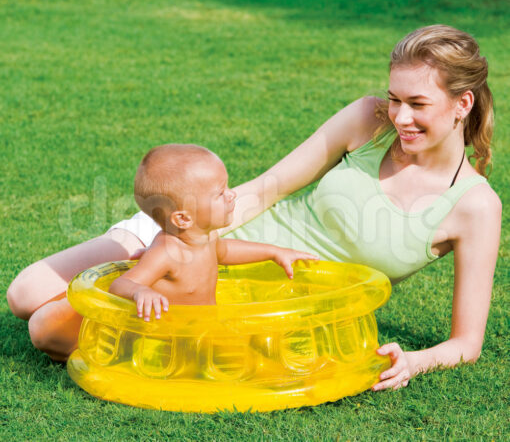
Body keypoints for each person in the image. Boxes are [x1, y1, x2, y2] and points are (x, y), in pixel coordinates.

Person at [7, 25, 501, 391]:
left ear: (463, 104)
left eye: (417, 103)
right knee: (26, 294)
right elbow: (268, 186)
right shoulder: (369, 121)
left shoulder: (475, 205)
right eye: (395, 99)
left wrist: (414, 361)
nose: (400, 116)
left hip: (257, 304)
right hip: (203, 234)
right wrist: (184, 238)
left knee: (47, 326)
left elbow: (466, 343)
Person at [108, 143, 317, 319]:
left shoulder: (205, 237)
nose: (232, 195)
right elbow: (120, 284)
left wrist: (273, 252)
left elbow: (225, 251)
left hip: (207, 326)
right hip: (176, 337)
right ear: (183, 218)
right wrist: (139, 291)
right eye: (220, 193)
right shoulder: (166, 253)